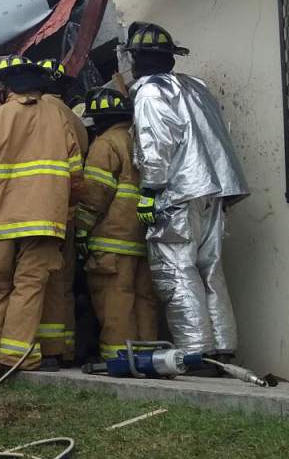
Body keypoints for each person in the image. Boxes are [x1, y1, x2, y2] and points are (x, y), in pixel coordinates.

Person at [127, 22, 248, 361]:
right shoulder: (197, 87)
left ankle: (196, 352)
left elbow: (156, 146)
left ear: (136, 59)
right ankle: (222, 348)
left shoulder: (150, 92)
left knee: (176, 270)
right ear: (171, 58)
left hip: (178, 193)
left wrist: (149, 192)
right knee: (210, 267)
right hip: (215, 189)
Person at [0, 56, 82, 376]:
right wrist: (67, 214)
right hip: (46, 220)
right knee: (29, 287)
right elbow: (75, 174)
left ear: (6, 89)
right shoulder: (61, 118)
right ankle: (19, 356)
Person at [75, 88, 158, 360]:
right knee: (143, 301)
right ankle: (148, 358)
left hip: (111, 242)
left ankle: (119, 358)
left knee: (115, 301)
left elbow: (95, 196)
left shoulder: (106, 144)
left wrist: (80, 232)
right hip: (142, 240)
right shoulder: (142, 141)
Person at [38, 59, 90, 368]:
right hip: (67, 210)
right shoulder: (74, 119)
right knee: (63, 282)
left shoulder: (39, 112)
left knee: (39, 282)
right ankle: (65, 348)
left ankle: (46, 351)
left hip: (35, 211)